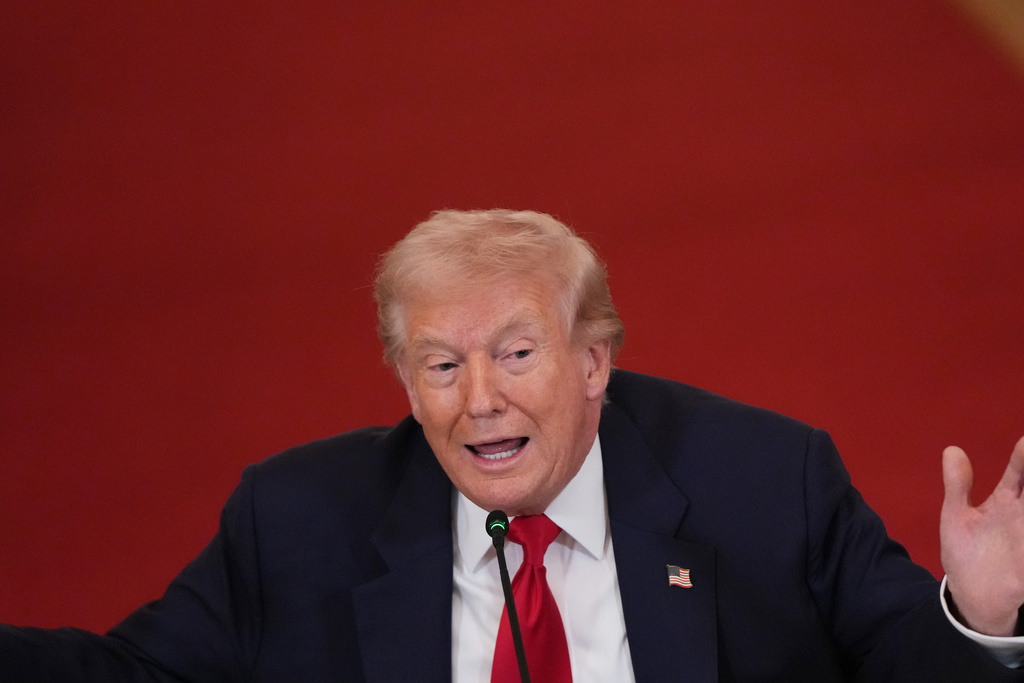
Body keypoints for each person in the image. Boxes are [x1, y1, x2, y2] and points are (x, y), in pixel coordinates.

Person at [2, 209, 1023, 681]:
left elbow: (909, 668)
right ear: (403, 380)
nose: (478, 400)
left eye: (517, 351)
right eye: (439, 365)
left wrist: (979, 619)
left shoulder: (762, 482)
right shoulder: (298, 518)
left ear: (593, 361)